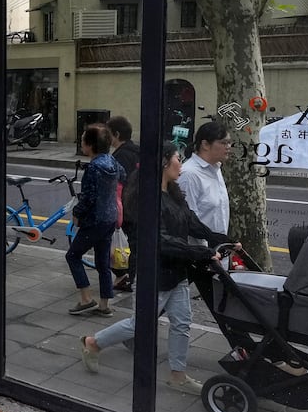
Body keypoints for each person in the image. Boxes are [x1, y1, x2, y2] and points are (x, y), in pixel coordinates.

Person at [81, 142, 235, 394]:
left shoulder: (174, 193)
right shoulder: (147, 198)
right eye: (178, 158)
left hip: (177, 270)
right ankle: (93, 342)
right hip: (153, 272)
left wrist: (223, 239)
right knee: (140, 324)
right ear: (164, 162)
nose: (181, 164)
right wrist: (205, 253)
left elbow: (193, 224)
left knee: (182, 322)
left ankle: (178, 375)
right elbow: (162, 242)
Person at [66, 123, 125, 316]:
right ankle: (104, 305)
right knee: (102, 263)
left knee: (73, 255)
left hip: (94, 221)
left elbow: (89, 197)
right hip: (110, 218)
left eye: (83, 139)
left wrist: (77, 213)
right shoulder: (113, 162)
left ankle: (85, 298)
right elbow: (124, 176)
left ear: (90, 145)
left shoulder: (93, 168)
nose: (81, 142)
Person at [178, 119, 233, 235]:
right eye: (223, 143)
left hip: (218, 248)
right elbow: (188, 221)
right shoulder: (189, 174)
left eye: (229, 142)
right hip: (199, 249)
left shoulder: (216, 168)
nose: (228, 147)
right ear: (205, 145)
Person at [107, 116, 138, 292]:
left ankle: (128, 278)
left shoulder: (118, 156)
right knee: (134, 244)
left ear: (117, 134)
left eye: (109, 134)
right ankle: (128, 277)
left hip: (127, 208)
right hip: (141, 205)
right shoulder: (137, 150)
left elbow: (117, 186)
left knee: (129, 245)